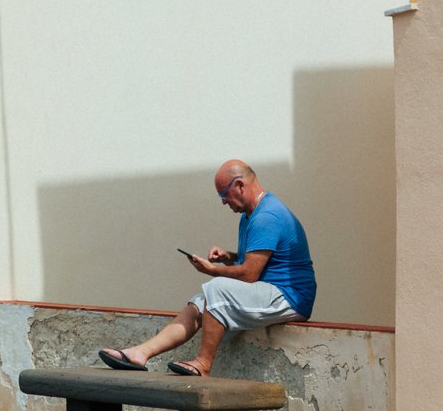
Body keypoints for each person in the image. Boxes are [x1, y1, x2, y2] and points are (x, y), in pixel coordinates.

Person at [98, 159, 315, 378]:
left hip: (290, 297)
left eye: (223, 195)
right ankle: (140, 353)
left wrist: (211, 270)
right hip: (270, 290)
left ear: (239, 185)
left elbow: (249, 274)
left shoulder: (267, 216)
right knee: (200, 303)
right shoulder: (250, 215)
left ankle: (203, 363)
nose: (223, 202)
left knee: (217, 289)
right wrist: (229, 257)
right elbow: (261, 258)